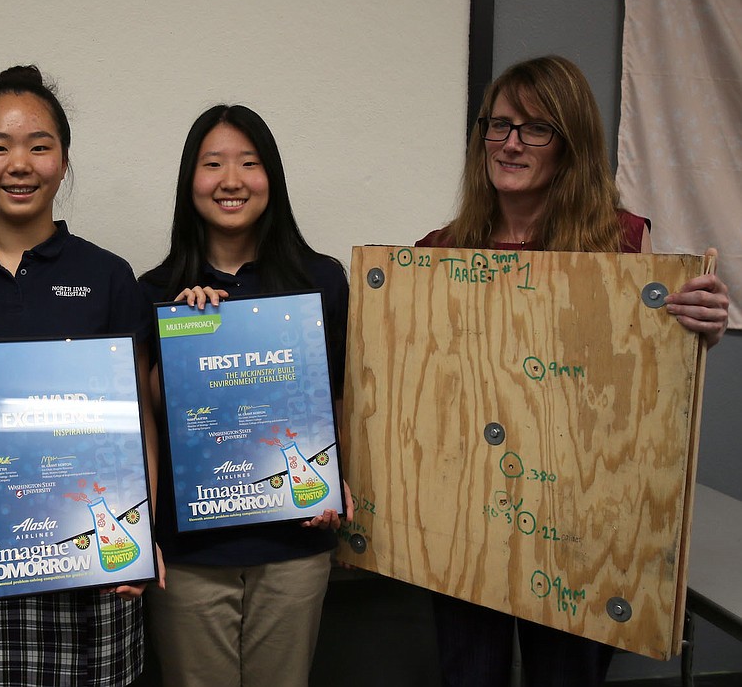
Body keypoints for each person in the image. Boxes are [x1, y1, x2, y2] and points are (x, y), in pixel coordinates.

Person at [416, 55, 730, 687]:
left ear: (571, 144)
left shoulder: (621, 247)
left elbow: (646, 382)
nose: (509, 143)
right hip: (467, 518)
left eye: (535, 128)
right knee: (467, 674)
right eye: (498, 125)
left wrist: (698, 327)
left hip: (577, 523)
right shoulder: (439, 253)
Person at [0, 65, 158, 687]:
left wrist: (143, 523)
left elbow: (139, 416)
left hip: (90, 532)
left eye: (38, 145)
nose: (18, 163)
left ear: (64, 161)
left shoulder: (108, 275)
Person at [138, 104, 348, 687]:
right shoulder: (153, 291)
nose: (231, 180)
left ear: (271, 178)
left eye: (248, 163)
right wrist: (189, 340)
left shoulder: (321, 282)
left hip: (296, 542)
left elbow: (341, 398)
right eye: (213, 164)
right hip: (189, 553)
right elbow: (150, 416)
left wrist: (340, 476)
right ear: (190, 182)